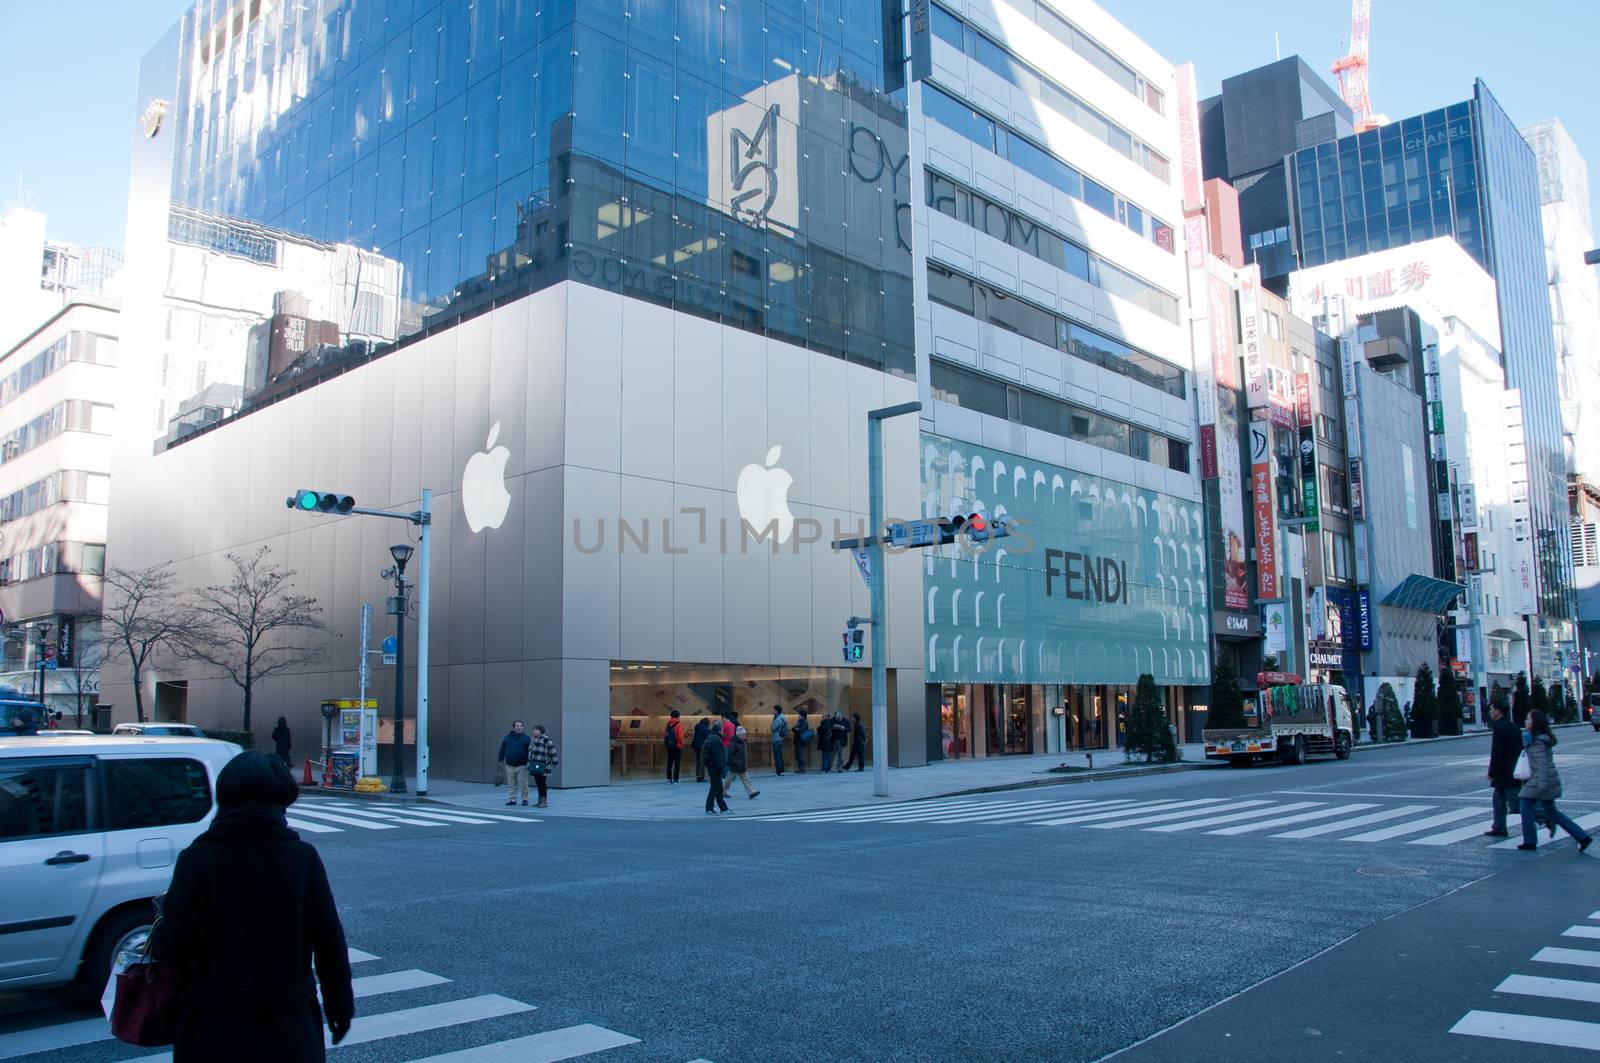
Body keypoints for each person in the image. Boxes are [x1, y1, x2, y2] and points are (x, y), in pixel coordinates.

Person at [150, 751, 354, 1061]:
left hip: (214, 1026)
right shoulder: (301, 858)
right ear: (281, 801)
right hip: (289, 1025)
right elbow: (328, 942)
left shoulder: (197, 860)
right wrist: (340, 1007)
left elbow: (173, 949)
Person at [1517, 709, 1591, 852]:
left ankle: (1530, 841)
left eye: (1528, 719)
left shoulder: (1537, 741)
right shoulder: (1539, 739)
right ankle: (1583, 837)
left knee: (1525, 806)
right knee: (1553, 812)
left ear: (1535, 723)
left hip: (1541, 781)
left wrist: (1541, 786)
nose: (1526, 721)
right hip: (1548, 780)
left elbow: (1542, 765)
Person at [1483, 703, 1523, 837]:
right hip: (1511, 770)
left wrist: (1492, 772)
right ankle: (1499, 827)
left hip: (1505, 772)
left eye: (1492, 709)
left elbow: (1497, 752)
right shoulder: (1513, 726)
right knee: (1498, 800)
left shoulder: (1499, 728)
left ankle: (1545, 819)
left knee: (1518, 804)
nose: (1490, 712)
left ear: (1498, 711)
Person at [497, 721, 532, 806]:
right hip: (509, 764)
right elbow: (502, 749)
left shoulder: (527, 738)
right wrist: (500, 760)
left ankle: (525, 799)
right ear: (513, 728)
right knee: (511, 783)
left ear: (523, 728)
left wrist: (529, 763)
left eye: (521, 726)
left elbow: (531, 751)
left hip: (522, 765)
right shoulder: (507, 737)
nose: (519, 727)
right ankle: (512, 799)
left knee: (523, 783)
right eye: (517, 726)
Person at [723, 725, 761, 800]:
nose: (745, 736)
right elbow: (730, 755)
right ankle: (723, 791)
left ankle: (751, 792)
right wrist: (735, 763)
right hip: (735, 765)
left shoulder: (741, 742)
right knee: (728, 779)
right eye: (743, 734)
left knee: (746, 778)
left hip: (741, 765)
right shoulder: (733, 743)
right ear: (739, 735)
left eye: (745, 734)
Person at [528, 724, 559, 809]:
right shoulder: (533, 739)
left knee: (542, 783)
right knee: (538, 783)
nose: (534, 731)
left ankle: (544, 802)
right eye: (534, 729)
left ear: (541, 731)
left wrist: (555, 762)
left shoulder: (546, 739)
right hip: (535, 765)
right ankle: (539, 801)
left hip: (544, 765)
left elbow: (553, 750)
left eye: (536, 729)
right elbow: (530, 752)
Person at [703, 722, 730, 815]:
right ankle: (709, 808)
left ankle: (723, 808)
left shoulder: (713, 737)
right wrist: (721, 768)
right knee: (715, 788)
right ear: (719, 730)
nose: (723, 731)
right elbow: (717, 756)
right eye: (722, 729)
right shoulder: (715, 739)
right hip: (715, 767)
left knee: (718, 789)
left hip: (713, 767)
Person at [663, 710, 684, 784]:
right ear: (678, 716)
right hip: (677, 746)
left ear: (671, 716)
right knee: (677, 763)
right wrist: (682, 744)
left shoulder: (667, 724)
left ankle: (669, 779)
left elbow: (664, 733)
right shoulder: (679, 725)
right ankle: (676, 779)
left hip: (669, 746)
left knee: (669, 762)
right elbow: (680, 737)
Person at [691, 717, 711, 782]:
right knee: (702, 762)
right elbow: (707, 736)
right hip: (701, 746)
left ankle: (698, 776)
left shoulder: (698, 727)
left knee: (698, 761)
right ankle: (701, 777)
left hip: (696, 746)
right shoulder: (704, 728)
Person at [770, 706, 788, 776]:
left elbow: (772, 728)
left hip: (776, 738)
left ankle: (779, 771)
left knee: (777, 756)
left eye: (774, 710)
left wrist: (773, 722)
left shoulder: (777, 719)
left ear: (777, 711)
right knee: (780, 755)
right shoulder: (783, 718)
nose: (773, 711)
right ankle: (782, 770)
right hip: (781, 738)